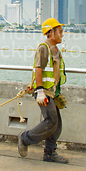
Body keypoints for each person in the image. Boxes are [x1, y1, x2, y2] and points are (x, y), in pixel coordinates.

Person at [17, 18, 69, 163]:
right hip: (44, 92)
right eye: (60, 32)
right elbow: (38, 69)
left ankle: (49, 153)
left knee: (56, 124)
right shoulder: (44, 48)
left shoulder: (55, 49)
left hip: (52, 92)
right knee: (50, 121)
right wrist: (39, 91)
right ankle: (25, 138)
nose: (62, 34)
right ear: (51, 32)